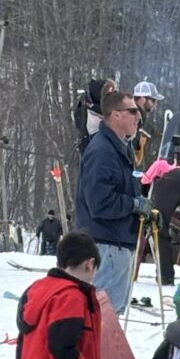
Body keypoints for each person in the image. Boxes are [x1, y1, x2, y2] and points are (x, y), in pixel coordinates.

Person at [15, 229, 104, 359]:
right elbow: (61, 348)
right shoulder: (70, 296)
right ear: (89, 264)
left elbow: (24, 342)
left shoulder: (37, 289)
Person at [74, 88, 149, 315]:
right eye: (133, 111)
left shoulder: (119, 149)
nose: (139, 116)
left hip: (116, 243)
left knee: (110, 316)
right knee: (102, 318)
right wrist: (133, 205)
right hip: (106, 246)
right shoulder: (103, 151)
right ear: (116, 114)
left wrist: (141, 211)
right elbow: (99, 203)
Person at [132, 79, 165, 168]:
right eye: (153, 100)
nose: (155, 104)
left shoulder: (138, 117)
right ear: (143, 99)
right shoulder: (133, 117)